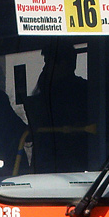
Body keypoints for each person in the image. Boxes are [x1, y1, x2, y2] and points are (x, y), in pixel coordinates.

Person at [24, 42, 92, 172]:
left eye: (49, 62)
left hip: (75, 163)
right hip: (47, 162)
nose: (45, 68)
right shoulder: (46, 90)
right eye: (45, 62)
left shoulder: (82, 91)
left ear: (66, 64)